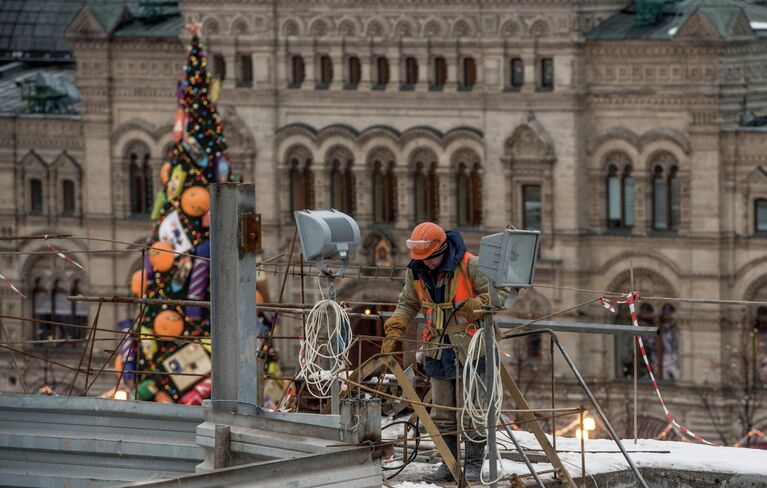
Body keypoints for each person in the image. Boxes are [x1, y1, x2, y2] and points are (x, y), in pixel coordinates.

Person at [381, 222, 506, 482]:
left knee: (473, 410)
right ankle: (449, 463)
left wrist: (481, 303)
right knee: (442, 412)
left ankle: (472, 463)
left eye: (430, 258)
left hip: (472, 349)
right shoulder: (416, 271)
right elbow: (407, 302)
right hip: (438, 349)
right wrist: (396, 326)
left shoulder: (470, 265)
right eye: (422, 259)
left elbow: (501, 293)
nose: (426, 263)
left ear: (443, 250)